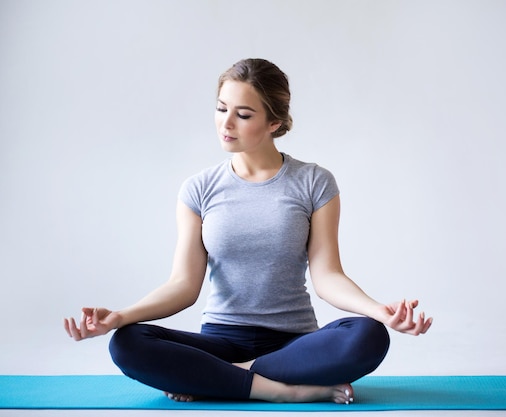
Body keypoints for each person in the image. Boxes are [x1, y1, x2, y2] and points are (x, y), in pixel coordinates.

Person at [64, 58, 433, 405]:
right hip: (221, 340)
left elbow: (328, 276)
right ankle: (283, 391)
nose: (226, 124)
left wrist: (381, 312)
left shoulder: (314, 182)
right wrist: (121, 316)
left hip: (294, 346)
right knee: (127, 342)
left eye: (242, 114)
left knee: (369, 335)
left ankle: (220, 379)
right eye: (221, 108)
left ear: (274, 122)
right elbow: (183, 286)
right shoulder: (199, 188)